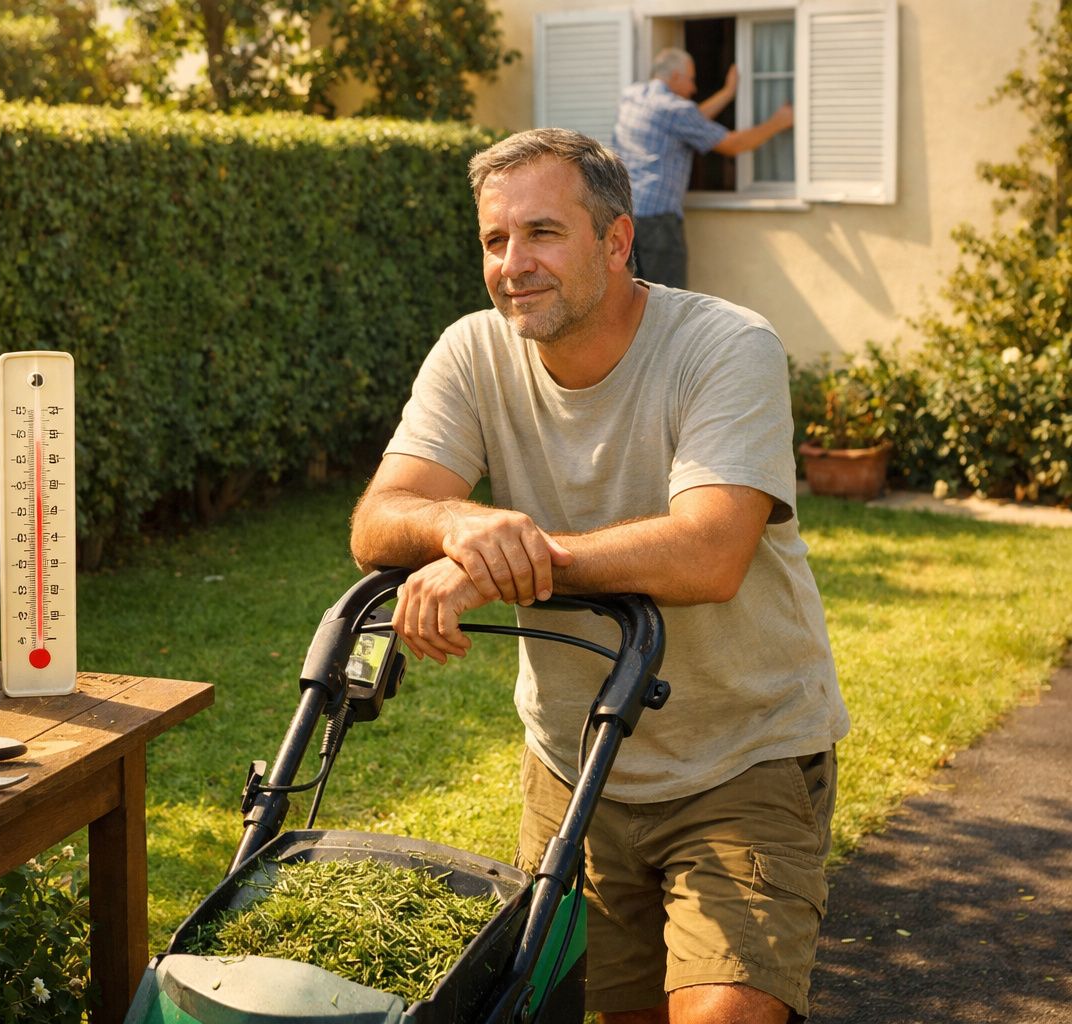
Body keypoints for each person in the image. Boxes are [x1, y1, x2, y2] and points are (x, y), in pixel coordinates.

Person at [348, 128, 848, 1023]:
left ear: (616, 242)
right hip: (575, 769)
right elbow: (379, 521)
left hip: (742, 757)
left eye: (542, 233)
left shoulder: (727, 347)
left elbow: (709, 553)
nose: (513, 265)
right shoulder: (473, 351)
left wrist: (504, 567)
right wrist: (465, 525)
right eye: (494, 242)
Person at [611, 48, 794, 288]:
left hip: (624, 217)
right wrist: (779, 122)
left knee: (630, 296)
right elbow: (734, 145)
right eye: (691, 79)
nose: (694, 89)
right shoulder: (676, 110)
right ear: (675, 76)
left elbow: (691, 121)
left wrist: (727, 93)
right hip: (658, 224)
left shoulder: (633, 96)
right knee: (667, 303)